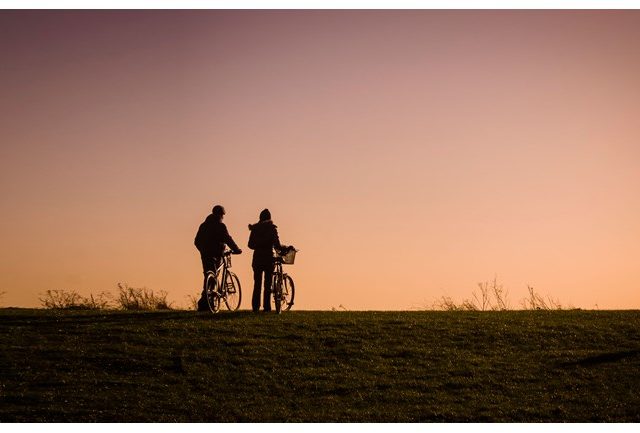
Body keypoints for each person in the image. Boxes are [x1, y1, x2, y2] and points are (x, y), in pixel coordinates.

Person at [194, 204, 242, 311]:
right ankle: (205, 303)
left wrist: (202, 250)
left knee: (209, 276)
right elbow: (228, 239)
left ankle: (206, 303)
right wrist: (237, 249)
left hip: (205, 255)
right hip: (216, 254)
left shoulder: (203, 225)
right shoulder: (221, 226)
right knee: (213, 277)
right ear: (220, 215)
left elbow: (196, 241)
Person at [248, 208, 282, 312]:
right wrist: (285, 248)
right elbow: (277, 245)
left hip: (257, 258)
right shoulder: (272, 229)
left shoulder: (255, 229)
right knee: (267, 284)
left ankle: (255, 307)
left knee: (257, 284)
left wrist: (259, 245)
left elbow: (250, 245)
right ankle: (267, 307)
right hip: (268, 258)